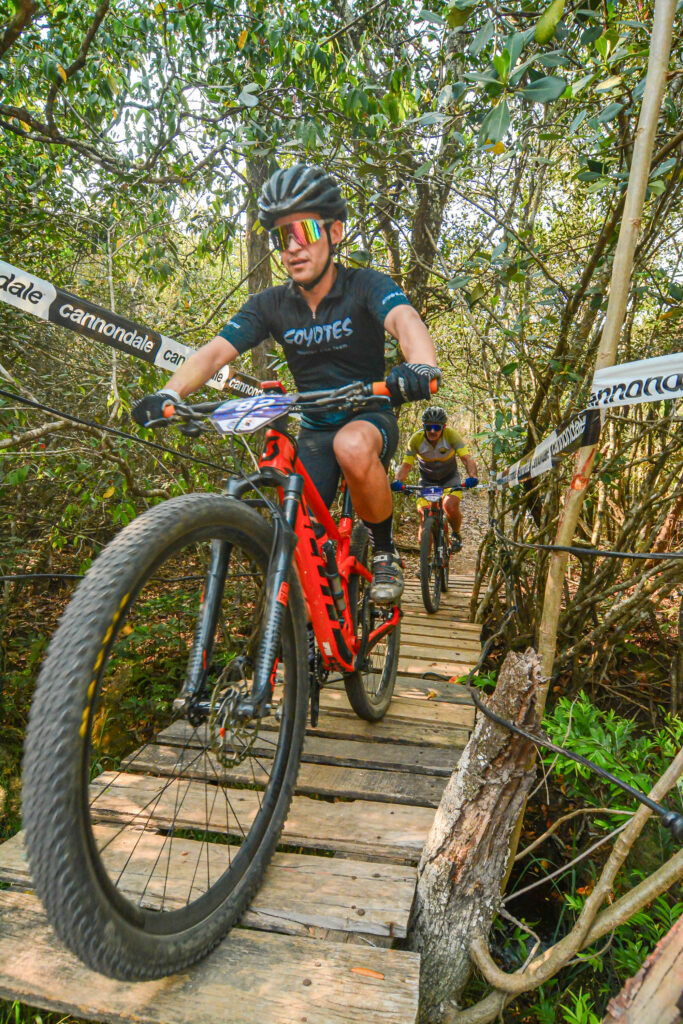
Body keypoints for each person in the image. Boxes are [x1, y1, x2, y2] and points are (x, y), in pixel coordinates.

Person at [132, 164, 441, 604]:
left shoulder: (365, 286)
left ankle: (385, 551)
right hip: (314, 427)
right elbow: (215, 352)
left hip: (368, 416)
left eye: (306, 230)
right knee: (297, 531)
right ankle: (306, 630)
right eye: (283, 237)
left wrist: (423, 368)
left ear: (334, 232)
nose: (294, 246)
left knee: (351, 447)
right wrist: (170, 394)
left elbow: (405, 319)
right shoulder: (270, 305)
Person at [391, 405, 478, 553]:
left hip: (449, 479)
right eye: (428, 426)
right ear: (423, 426)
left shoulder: (451, 436)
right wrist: (397, 481)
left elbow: (466, 459)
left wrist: (473, 477)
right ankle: (427, 561)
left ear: (443, 427)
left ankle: (456, 533)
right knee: (425, 516)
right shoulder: (416, 440)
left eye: (436, 427)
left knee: (449, 506)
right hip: (427, 481)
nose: (432, 431)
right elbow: (406, 466)